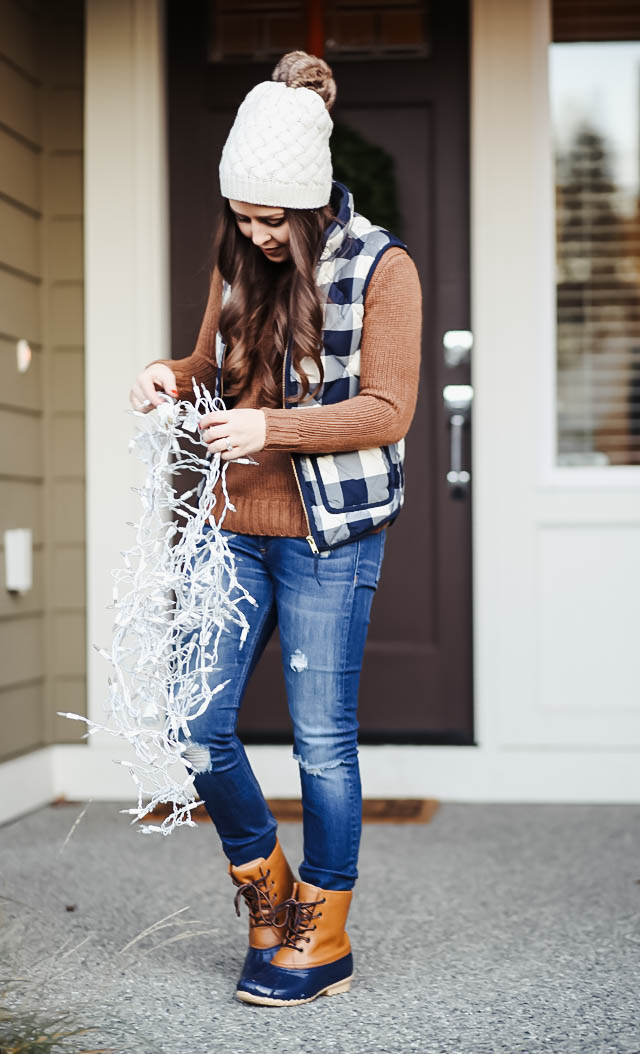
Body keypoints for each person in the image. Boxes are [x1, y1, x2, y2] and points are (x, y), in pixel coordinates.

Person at [129, 50, 422, 1007]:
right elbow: (211, 367)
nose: (252, 235)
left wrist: (276, 429)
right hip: (230, 526)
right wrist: (171, 375)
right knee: (197, 720)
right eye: (241, 216)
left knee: (321, 743)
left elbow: (386, 409)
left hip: (328, 537)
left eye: (268, 220)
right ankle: (268, 895)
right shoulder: (237, 259)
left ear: (306, 204)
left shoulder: (384, 268)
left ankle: (322, 932)